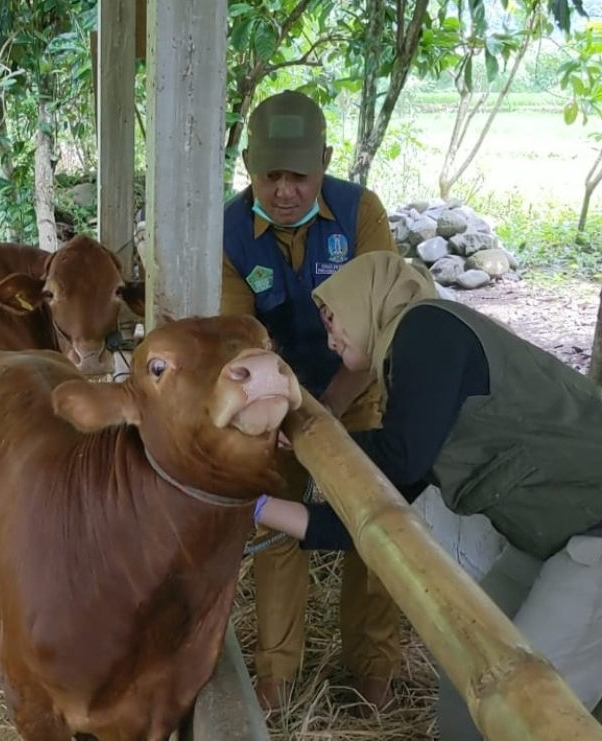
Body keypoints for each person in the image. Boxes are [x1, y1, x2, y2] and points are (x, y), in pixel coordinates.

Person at [255, 250, 602, 738]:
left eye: (333, 318)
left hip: (594, 537)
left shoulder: (428, 328)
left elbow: (400, 460)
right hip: (549, 536)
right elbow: (383, 504)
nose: (330, 338)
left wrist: (309, 442)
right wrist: (257, 507)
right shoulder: (412, 383)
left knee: (535, 707)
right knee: (475, 669)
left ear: (365, 300)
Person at [221, 89, 401, 713]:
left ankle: (373, 668)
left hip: (357, 391)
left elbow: (381, 324)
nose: (286, 190)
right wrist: (277, 411)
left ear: (325, 161)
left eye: (299, 175)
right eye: (271, 175)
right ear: (248, 165)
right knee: (277, 524)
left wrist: (326, 403)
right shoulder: (231, 232)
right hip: (277, 402)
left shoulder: (361, 215)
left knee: (374, 524)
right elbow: (240, 342)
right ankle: (278, 677)